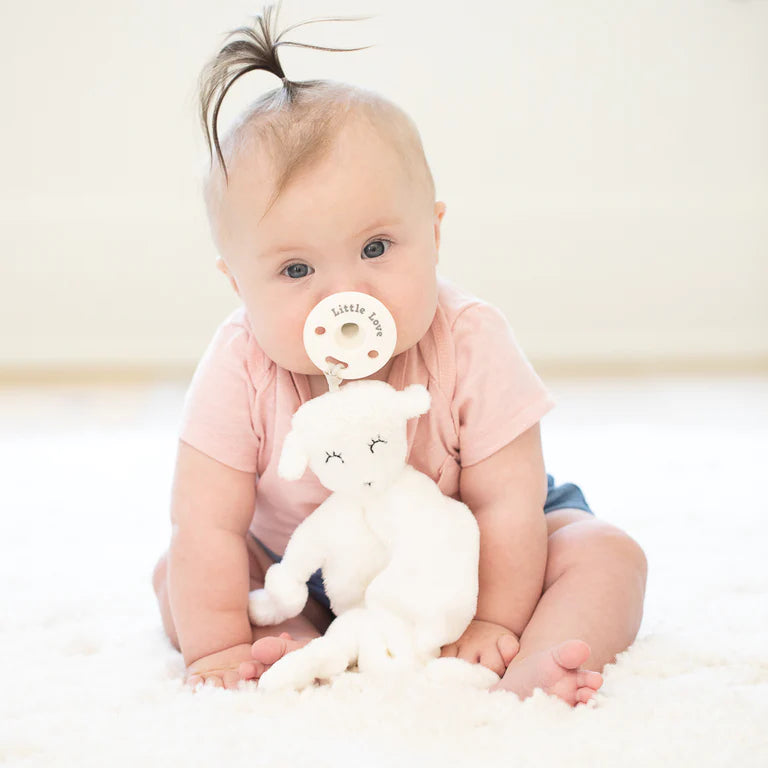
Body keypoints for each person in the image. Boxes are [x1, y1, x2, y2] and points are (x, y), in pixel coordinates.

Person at [152, 3, 647, 707]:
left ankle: (537, 662)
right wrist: (217, 646)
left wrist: (493, 619)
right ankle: (291, 638)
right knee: (184, 574)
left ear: (434, 234)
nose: (345, 295)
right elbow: (205, 521)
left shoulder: (470, 338)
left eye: (376, 248)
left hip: (476, 552)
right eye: (296, 270)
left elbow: (505, 503)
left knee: (606, 554)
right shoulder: (239, 365)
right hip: (305, 557)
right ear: (238, 284)